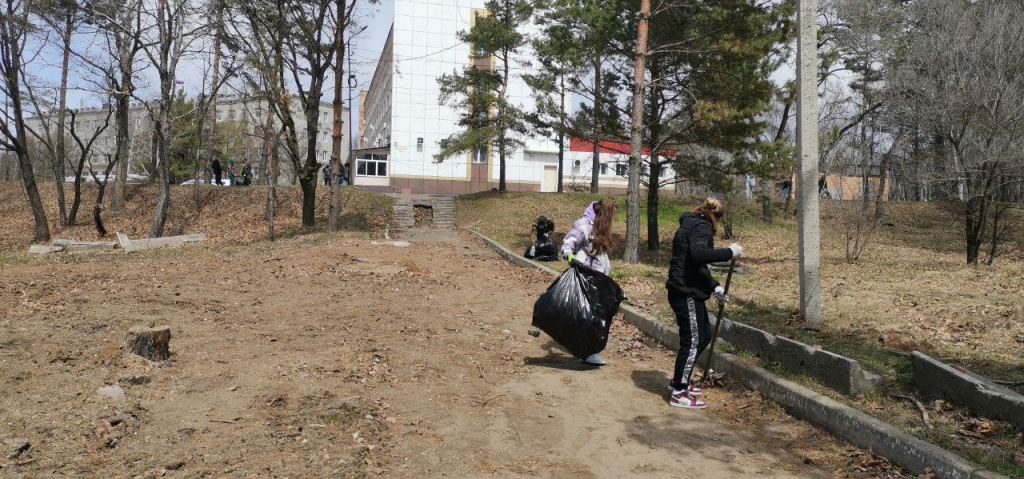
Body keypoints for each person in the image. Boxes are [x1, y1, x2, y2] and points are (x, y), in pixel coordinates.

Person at [665, 198, 742, 409]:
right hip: (685, 291)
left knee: (704, 336)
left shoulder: (692, 223)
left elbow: (696, 264)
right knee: (692, 341)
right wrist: (729, 253)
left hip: (690, 288)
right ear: (716, 218)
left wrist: (714, 287)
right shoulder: (702, 227)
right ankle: (679, 392)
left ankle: (679, 380)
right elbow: (700, 255)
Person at [560, 197, 617, 366]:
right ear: (605, 214)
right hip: (585, 278)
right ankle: (587, 352)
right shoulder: (584, 225)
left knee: (593, 315)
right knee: (589, 316)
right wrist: (570, 257)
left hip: (598, 279)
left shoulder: (599, 228)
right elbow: (567, 244)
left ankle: (585, 348)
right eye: (612, 214)